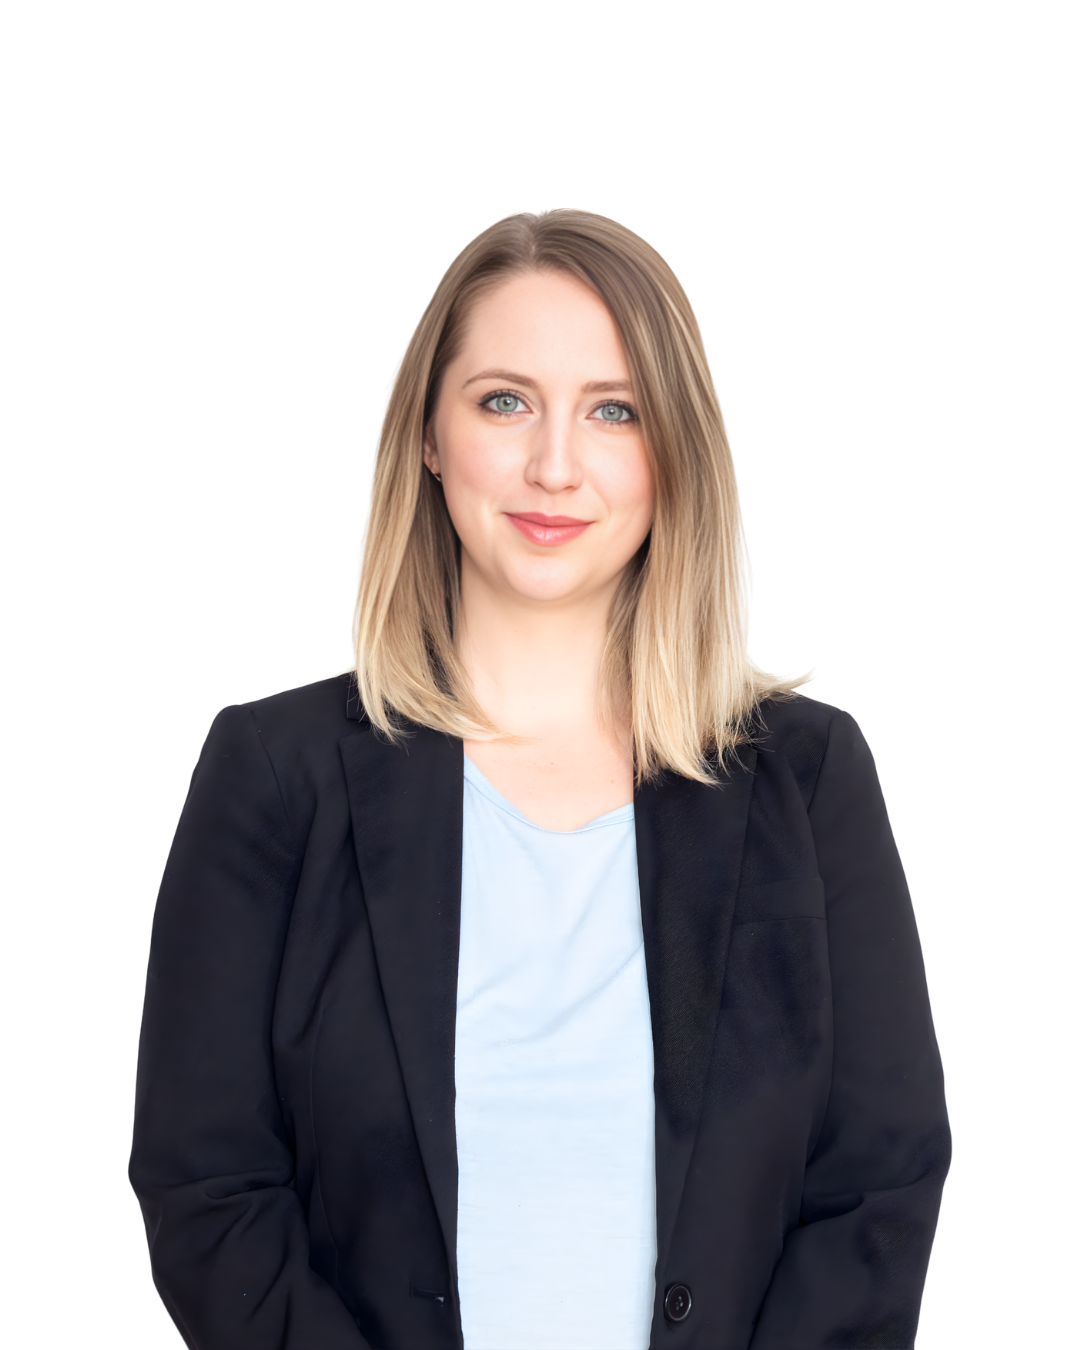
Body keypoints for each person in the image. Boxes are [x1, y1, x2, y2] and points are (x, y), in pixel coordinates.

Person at [130, 210, 949, 1350]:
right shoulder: (273, 778)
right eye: (504, 400)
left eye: (614, 410)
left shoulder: (807, 781)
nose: (555, 464)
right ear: (429, 434)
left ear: (674, 453)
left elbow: (878, 1183)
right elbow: (206, 1186)